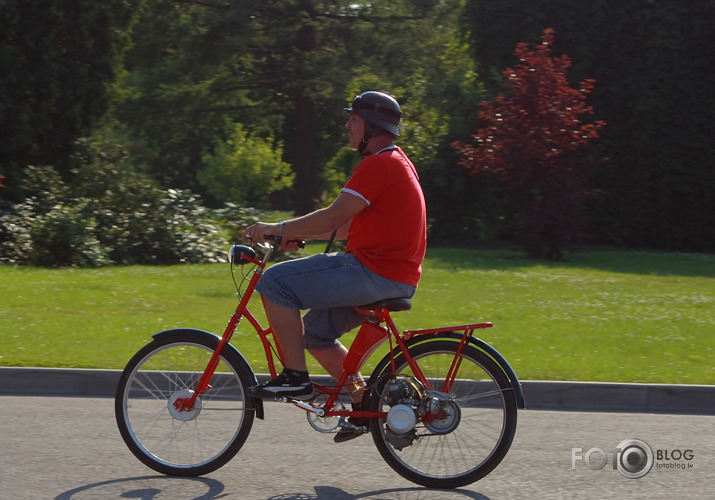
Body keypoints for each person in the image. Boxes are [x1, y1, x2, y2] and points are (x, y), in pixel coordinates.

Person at [241, 91, 426, 442]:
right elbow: (342, 227)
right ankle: (362, 402)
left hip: (373, 273)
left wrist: (274, 228)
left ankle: (295, 378)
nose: (347, 125)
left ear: (373, 126)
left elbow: (332, 216)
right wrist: (294, 236)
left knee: (275, 282)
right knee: (313, 335)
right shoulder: (396, 161)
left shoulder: (379, 164)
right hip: (387, 274)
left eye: (353, 119)